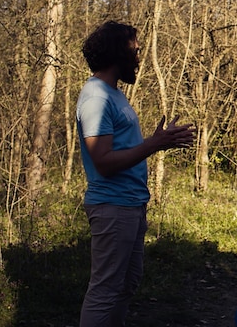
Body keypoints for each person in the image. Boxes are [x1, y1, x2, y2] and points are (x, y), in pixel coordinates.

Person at [77, 21, 196, 326]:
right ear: (118, 51)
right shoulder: (96, 98)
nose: (139, 53)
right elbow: (102, 161)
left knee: (126, 285)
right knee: (105, 291)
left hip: (130, 205)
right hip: (112, 206)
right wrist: (155, 144)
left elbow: (123, 148)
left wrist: (158, 143)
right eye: (135, 47)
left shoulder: (113, 94)